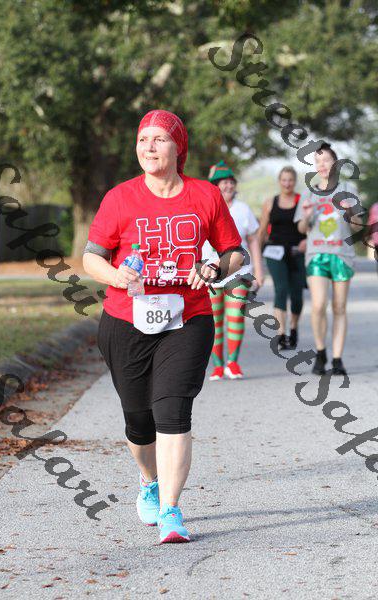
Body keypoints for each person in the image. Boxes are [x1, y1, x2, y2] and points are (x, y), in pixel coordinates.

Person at [82, 110, 244, 544]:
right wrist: (117, 276)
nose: (148, 147)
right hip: (126, 319)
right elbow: (91, 257)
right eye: (143, 139)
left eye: (159, 139)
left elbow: (235, 252)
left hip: (187, 318)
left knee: (173, 411)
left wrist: (213, 268)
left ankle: (171, 510)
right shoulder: (119, 197)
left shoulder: (205, 194)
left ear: (178, 148)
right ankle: (149, 481)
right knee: (138, 419)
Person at [294, 142, 363, 376]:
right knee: (318, 304)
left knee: (339, 307)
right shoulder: (309, 192)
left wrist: (350, 211)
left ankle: (337, 358)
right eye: (318, 161)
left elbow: (358, 226)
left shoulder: (348, 189)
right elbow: (302, 229)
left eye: (326, 160)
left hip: (342, 254)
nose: (322, 165)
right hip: (316, 254)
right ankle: (321, 351)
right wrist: (305, 216)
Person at [202, 160, 264, 380]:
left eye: (231, 182)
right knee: (215, 321)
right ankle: (218, 365)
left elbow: (253, 240)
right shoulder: (204, 206)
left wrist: (259, 270)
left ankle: (233, 363)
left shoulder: (243, 209)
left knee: (236, 315)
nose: (228, 186)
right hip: (209, 271)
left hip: (239, 270)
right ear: (215, 185)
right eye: (223, 182)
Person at [258, 166, 307, 350]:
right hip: (274, 252)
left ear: (295, 182)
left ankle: (293, 328)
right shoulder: (270, 202)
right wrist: (257, 257)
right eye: (284, 180)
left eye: (290, 180)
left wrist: (307, 241)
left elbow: (311, 226)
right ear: (279, 182)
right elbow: (262, 231)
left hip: (297, 251)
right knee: (281, 289)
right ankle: (281, 334)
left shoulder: (302, 202)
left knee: (296, 294)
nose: (287, 184)